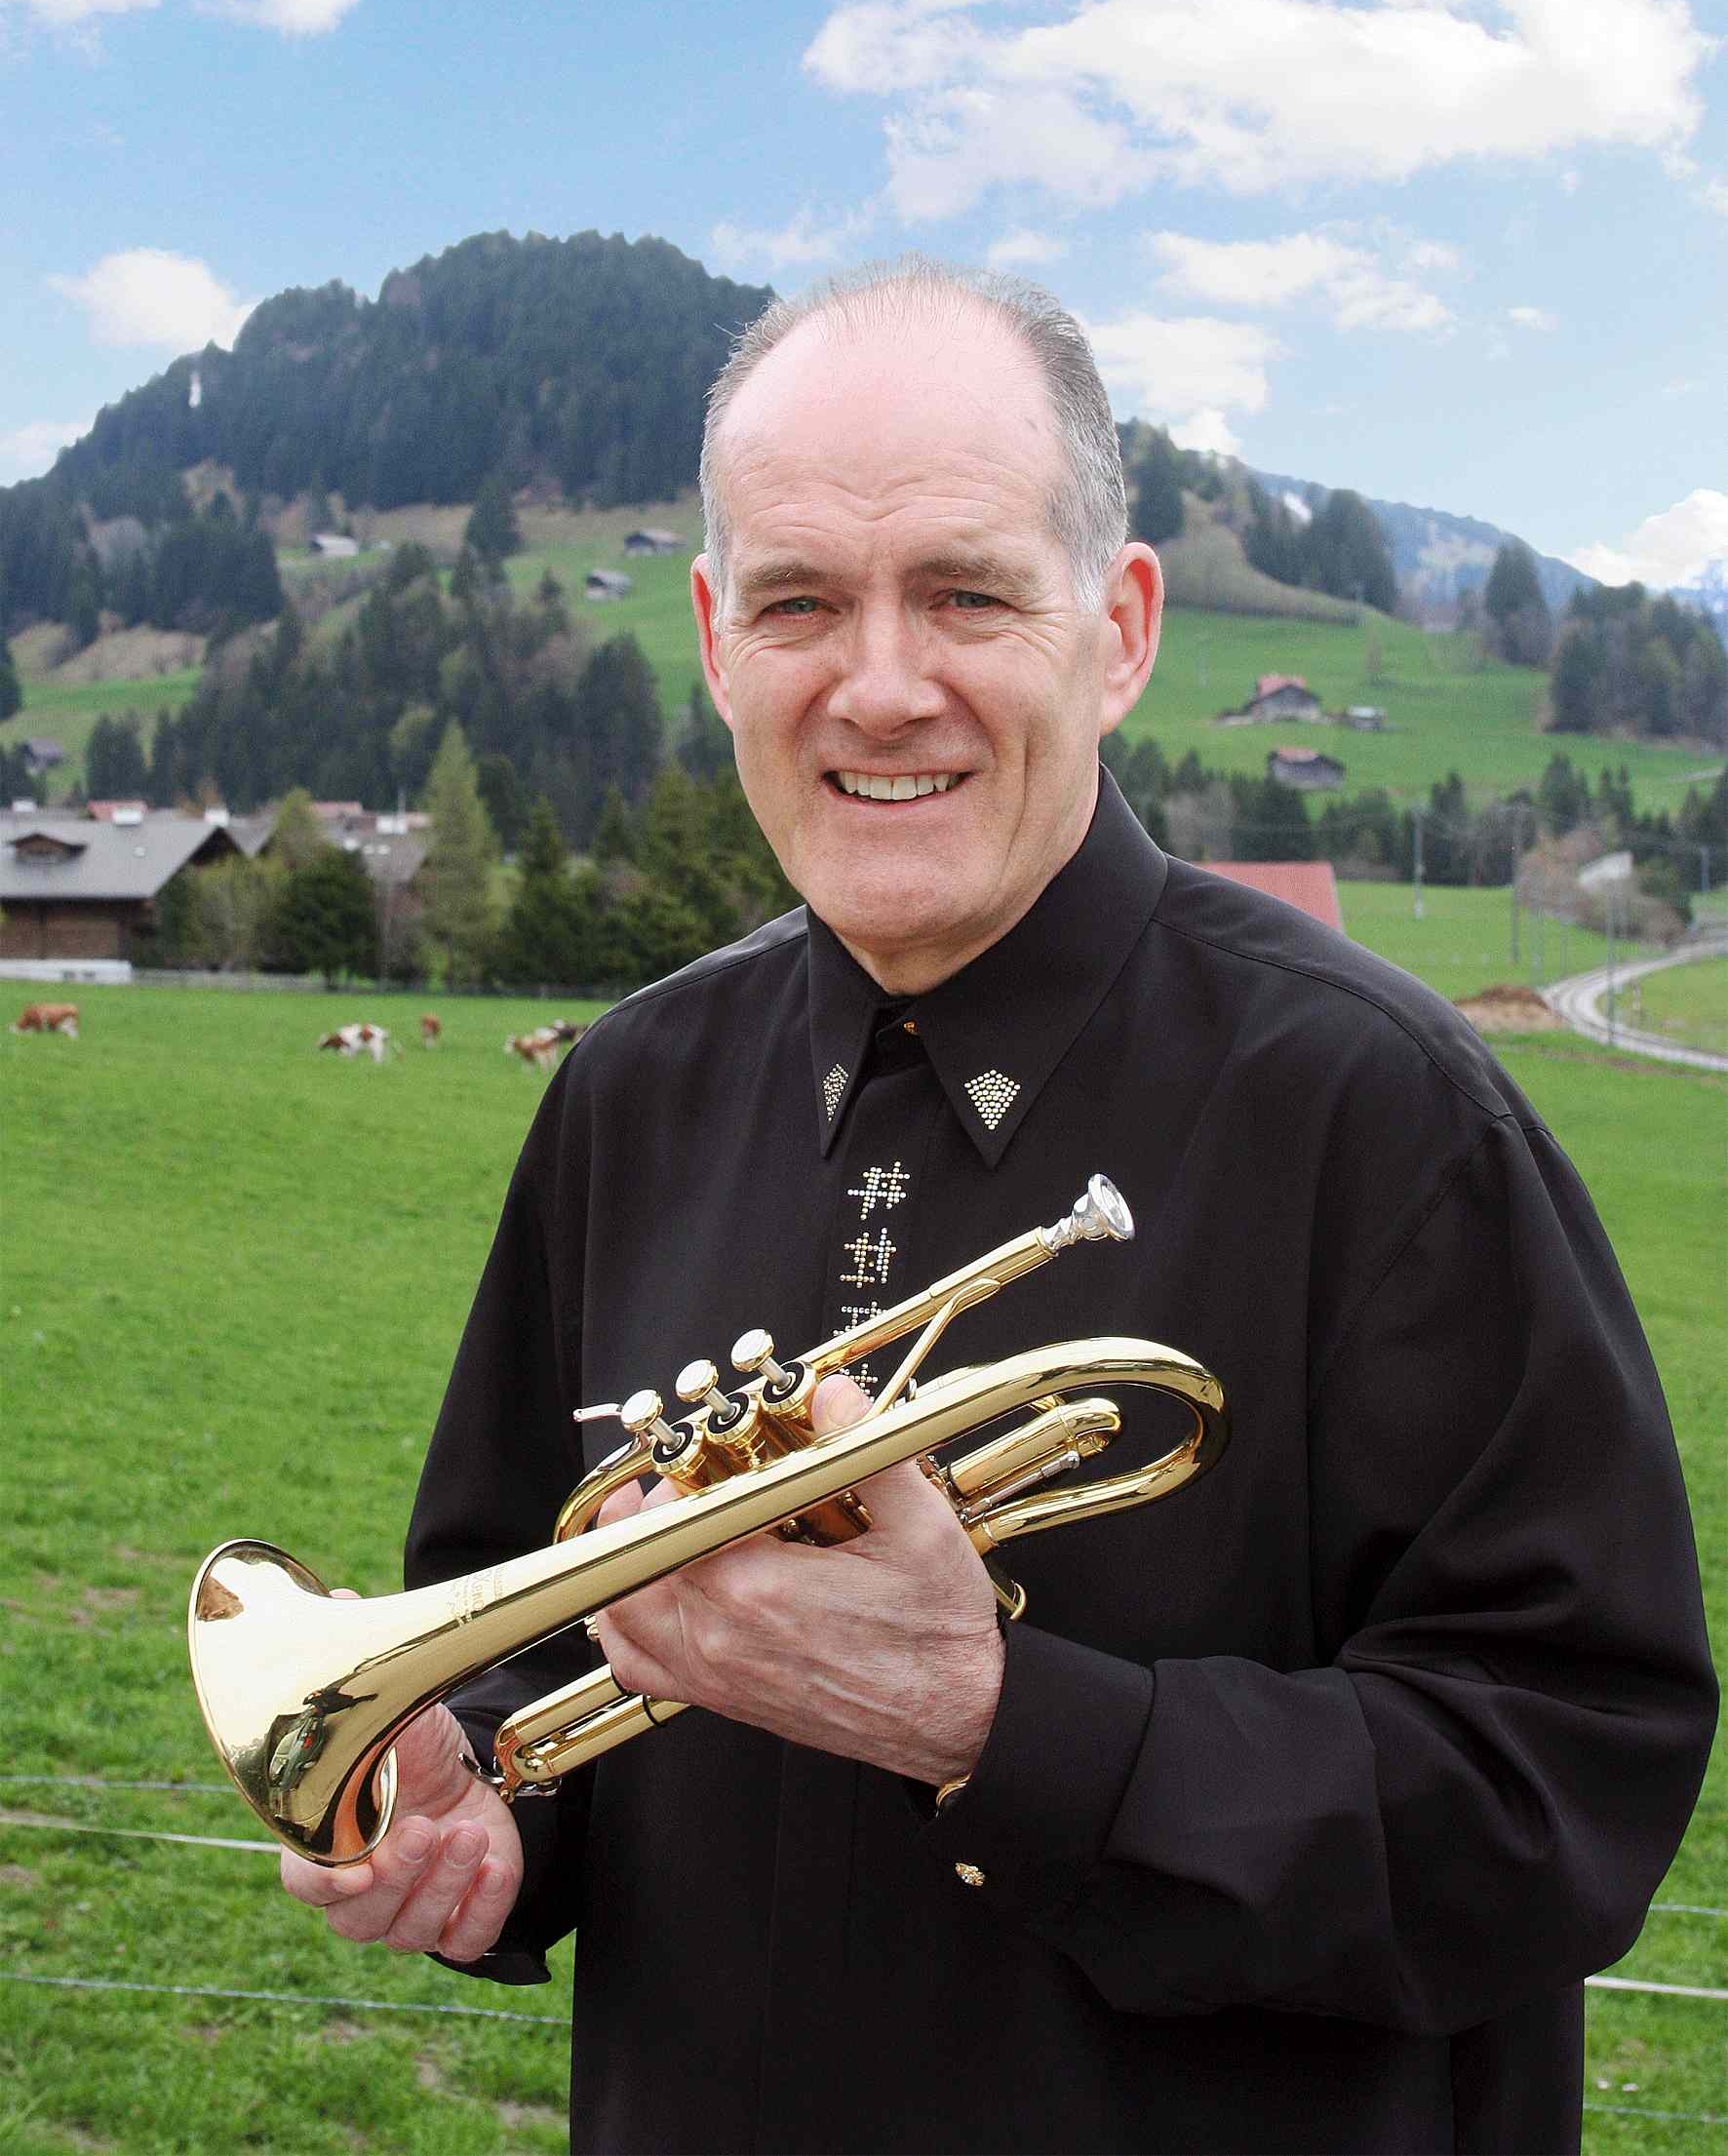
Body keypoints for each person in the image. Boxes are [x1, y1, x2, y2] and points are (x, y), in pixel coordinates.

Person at [281, 260, 1714, 2155]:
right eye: (799, 601)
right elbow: (517, 1641)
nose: (881, 685)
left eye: (964, 592)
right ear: (715, 639)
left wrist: (991, 1717)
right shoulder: (630, 1088)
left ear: (1117, 630)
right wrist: (482, 1812)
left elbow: (1562, 1787)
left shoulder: (1389, 1113)